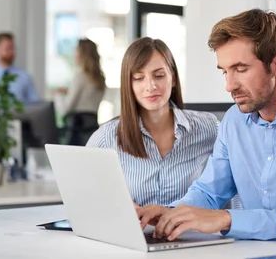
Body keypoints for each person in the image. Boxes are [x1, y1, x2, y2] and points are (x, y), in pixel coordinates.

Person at [137, 9, 276, 241]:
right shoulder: (234, 120)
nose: (229, 86)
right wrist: (172, 214)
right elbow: (209, 192)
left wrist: (226, 219)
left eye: (240, 69)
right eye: (225, 71)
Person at [86, 37, 219, 207]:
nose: (150, 86)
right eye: (139, 78)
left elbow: (238, 177)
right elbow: (85, 197)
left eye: (159, 76)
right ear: (129, 85)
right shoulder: (106, 137)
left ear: (174, 79)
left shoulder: (207, 127)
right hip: (131, 232)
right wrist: (116, 206)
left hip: (189, 233)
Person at [53, 38, 106, 117]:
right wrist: (69, 92)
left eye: (76, 52)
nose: (74, 55)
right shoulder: (100, 78)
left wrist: (57, 95)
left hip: (79, 126)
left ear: (82, 55)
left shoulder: (80, 76)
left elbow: (65, 109)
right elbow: (87, 100)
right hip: (93, 126)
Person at [0, 32, 39, 103]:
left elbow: (35, 105)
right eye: (8, 48)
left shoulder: (24, 76)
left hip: (19, 114)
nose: (11, 52)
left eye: (13, 48)